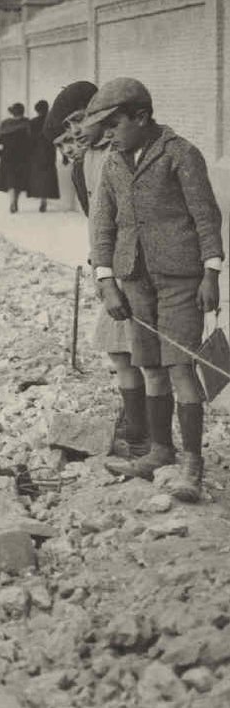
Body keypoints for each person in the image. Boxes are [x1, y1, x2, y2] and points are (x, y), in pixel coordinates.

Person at [87, 77, 223, 503]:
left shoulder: (180, 155)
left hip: (181, 279)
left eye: (114, 124)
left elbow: (206, 217)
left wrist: (211, 274)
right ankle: (160, 453)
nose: (107, 134)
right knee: (149, 367)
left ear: (142, 117)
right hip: (133, 280)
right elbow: (103, 227)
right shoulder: (113, 162)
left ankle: (192, 466)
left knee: (182, 367)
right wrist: (107, 281)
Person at [46, 80, 146, 461]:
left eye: (77, 122)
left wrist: (111, 273)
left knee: (132, 352)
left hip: (129, 266)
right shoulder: (86, 160)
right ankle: (137, 424)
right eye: (65, 132)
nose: (72, 135)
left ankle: (140, 433)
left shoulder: (118, 154)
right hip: (108, 265)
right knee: (122, 351)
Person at [0, 102, 32, 213]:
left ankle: (12, 200)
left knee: (10, 179)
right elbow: (31, 140)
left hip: (7, 155)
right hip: (23, 155)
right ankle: (16, 200)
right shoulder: (27, 123)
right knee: (19, 180)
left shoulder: (5, 124)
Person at [27, 99, 60, 212]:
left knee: (38, 176)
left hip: (36, 152)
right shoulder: (52, 121)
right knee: (48, 175)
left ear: (37, 110)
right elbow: (58, 137)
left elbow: (29, 139)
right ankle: (44, 199)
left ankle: (41, 197)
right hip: (49, 151)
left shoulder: (32, 122)